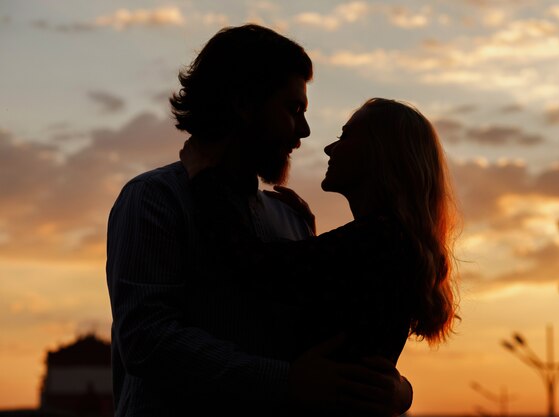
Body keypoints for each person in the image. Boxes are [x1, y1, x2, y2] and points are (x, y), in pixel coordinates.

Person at [106, 24, 412, 417]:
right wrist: (284, 382)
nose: (304, 131)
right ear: (243, 104)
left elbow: (335, 346)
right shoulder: (155, 199)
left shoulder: (291, 218)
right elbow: (147, 341)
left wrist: (398, 390)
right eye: (293, 109)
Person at [187, 97, 460, 399]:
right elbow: (329, 286)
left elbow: (255, 266)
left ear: (378, 152)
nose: (330, 148)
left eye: (345, 136)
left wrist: (202, 179)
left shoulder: (378, 241)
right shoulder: (389, 241)